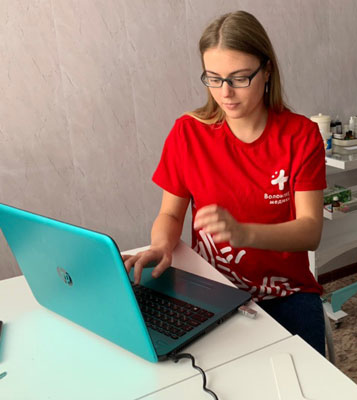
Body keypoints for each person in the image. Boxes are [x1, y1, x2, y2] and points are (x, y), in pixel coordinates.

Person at [123, 10, 327, 355]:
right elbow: (170, 215)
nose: (225, 93)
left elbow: (310, 231)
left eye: (240, 78)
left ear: (267, 71)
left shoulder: (300, 135)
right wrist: (161, 245)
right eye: (214, 79)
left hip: (286, 294)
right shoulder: (188, 132)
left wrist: (244, 233)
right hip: (211, 290)